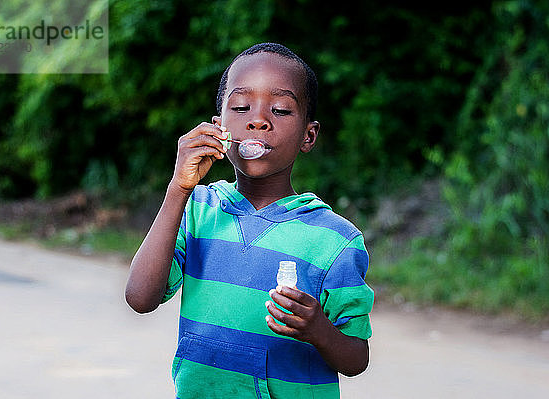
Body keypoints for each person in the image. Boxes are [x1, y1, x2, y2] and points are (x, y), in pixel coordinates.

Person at [125, 42, 374, 399]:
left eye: (281, 109)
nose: (258, 120)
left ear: (309, 135)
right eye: (241, 107)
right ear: (218, 128)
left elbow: (356, 358)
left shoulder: (333, 239)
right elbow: (140, 297)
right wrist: (178, 190)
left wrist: (318, 329)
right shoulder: (197, 210)